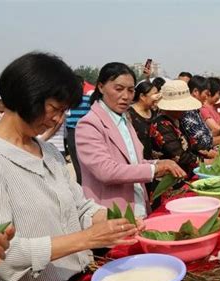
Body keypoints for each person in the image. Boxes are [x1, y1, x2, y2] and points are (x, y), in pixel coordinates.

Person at [0, 52, 141, 281]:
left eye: (64, 112)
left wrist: (115, 221)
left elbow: (79, 208)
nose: (59, 120)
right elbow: (2, 257)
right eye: (55, 109)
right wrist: (86, 239)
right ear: (28, 95)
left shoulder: (48, 152)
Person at [76, 62, 185, 217]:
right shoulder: (89, 124)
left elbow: (134, 163)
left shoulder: (124, 120)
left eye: (131, 90)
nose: (126, 96)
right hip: (112, 213)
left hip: (138, 205)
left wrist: (158, 164)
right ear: (101, 87)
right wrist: (154, 170)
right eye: (119, 89)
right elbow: (106, 171)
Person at [150, 80, 210, 177]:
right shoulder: (161, 125)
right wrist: (207, 161)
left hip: (184, 173)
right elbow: (179, 156)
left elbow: (192, 143)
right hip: (170, 179)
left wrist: (209, 153)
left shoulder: (178, 119)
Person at [180, 75, 216, 157]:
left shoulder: (195, 110)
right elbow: (197, 143)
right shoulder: (187, 113)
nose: (207, 97)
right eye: (206, 93)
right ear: (195, 92)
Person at [65, 77, 92, 184]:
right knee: (87, 161)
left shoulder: (67, 101)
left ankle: (81, 184)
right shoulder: (88, 100)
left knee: (77, 162)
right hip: (86, 133)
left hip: (73, 133)